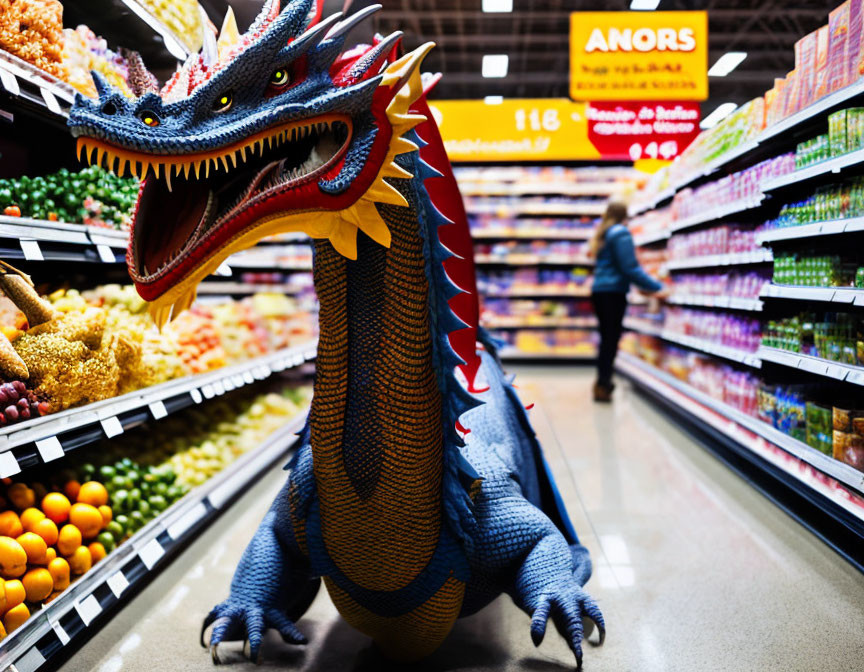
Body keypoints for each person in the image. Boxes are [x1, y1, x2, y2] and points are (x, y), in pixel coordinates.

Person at [589, 200, 668, 402]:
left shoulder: (603, 233)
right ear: (625, 215)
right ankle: (604, 384)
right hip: (613, 292)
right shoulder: (621, 233)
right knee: (611, 340)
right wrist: (657, 287)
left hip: (600, 291)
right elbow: (629, 267)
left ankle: (602, 383)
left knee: (606, 339)